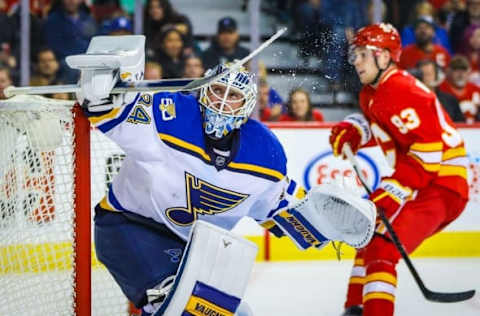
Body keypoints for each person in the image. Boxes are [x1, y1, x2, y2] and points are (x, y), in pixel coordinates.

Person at [72, 35, 376, 316]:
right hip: (129, 226)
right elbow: (106, 110)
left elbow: (280, 209)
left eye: (233, 96)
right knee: (179, 307)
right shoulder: (168, 116)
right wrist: (102, 87)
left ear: (247, 106)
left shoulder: (264, 154)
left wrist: (328, 221)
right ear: (204, 90)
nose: (222, 101)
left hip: (188, 248)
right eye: (218, 89)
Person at [331, 23, 469, 316]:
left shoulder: (402, 88)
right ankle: (355, 308)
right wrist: (356, 131)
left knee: (382, 246)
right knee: (370, 237)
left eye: (362, 54)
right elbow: (388, 130)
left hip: (444, 184)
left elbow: (429, 150)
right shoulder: (372, 93)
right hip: (424, 182)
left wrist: (394, 188)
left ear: (383, 57)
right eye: (353, 54)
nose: (356, 62)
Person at [439, 55, 480, 123]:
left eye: (464, 70)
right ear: (449, 71)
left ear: (469, 72)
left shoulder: (476, 90)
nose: (460, 74)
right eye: (456, 70)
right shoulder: (442, 89)